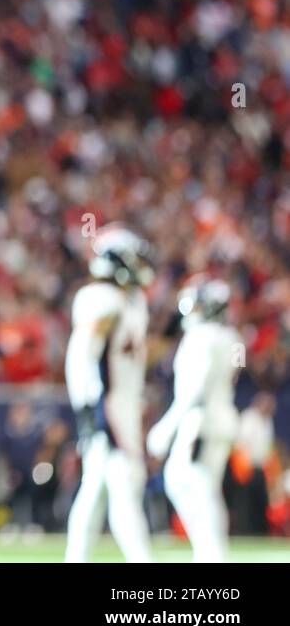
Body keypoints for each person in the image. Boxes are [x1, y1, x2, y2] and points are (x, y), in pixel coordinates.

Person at [63, 224, 154, 563]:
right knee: (124, 483)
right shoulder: (99, 298)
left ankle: (76, 558)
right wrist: (87, 406)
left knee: (95, 489)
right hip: (107, 406)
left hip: (122, 404)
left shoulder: (131, 300)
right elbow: (82, 354)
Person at [147, 275, 240, 562]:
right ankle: (209, 550)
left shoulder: (202, 337)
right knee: (189, 482)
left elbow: (195, 387)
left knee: (196, 485)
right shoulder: (232, 338)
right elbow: (236, 372)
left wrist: (167, 425)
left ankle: (212, 553)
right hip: (220, 417)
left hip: (202, 421)